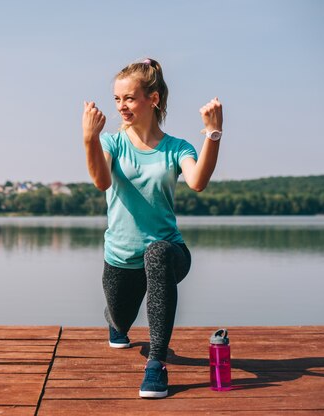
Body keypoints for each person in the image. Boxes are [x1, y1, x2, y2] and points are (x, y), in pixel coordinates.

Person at [82, 57, 223, 399]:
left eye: (129, 98)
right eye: (117, 99)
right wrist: (89, 138)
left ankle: (157, 365)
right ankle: (115, 320)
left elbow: (198, 181)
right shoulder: (112, 143)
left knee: (157, 254)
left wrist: (213, 134)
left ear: (153, 99)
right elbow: (101, 182)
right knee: (120, 321)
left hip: (169, 251)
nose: (121, 106)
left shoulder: (177, 148)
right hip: (120, 257)